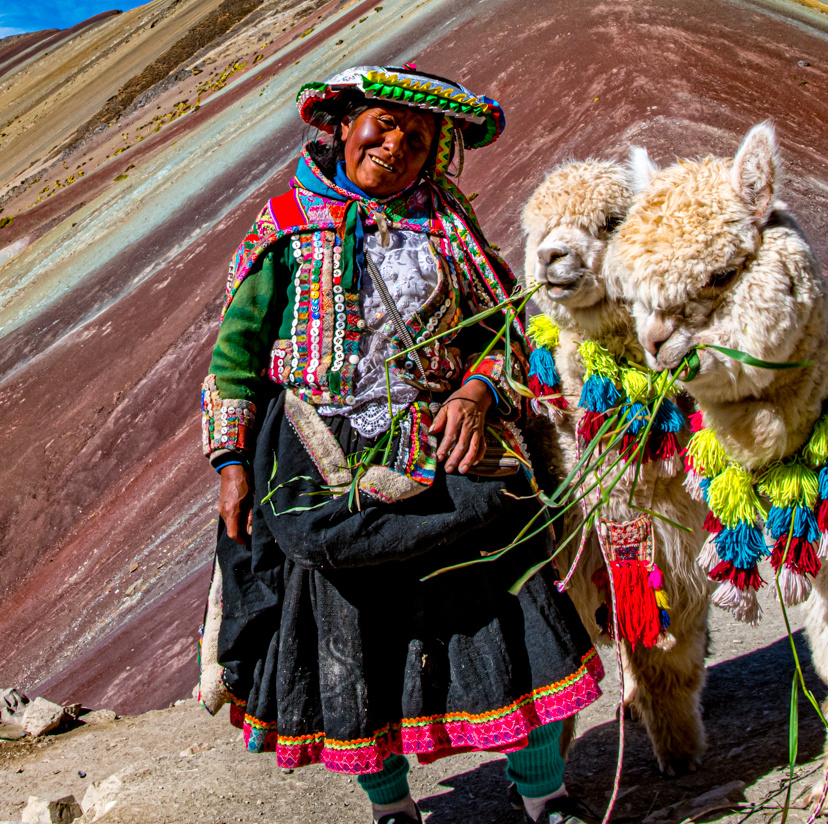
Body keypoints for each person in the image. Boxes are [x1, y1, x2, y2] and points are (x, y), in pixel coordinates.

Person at [194, 66, 604, 823]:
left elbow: (509, 333)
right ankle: (392, 811)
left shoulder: (448, 227)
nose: (397, 145)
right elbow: (234, 359)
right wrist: (230, 464)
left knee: (504, 608)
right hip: (317, 469)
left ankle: (545, 795)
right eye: (384, 123)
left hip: (443, 452)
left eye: (419, 139)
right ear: (343, 123)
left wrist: (477, 394)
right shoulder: (284, 225)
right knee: (351, 645)